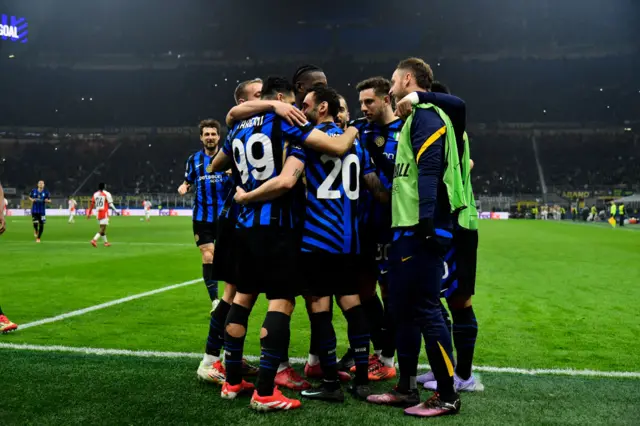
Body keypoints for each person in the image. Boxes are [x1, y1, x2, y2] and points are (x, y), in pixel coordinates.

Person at [207, 76, 358, 412]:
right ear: (282, 99)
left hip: (244, 227)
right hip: (277, 226)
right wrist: (352, 131)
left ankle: (232, 381)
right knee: (282, 302)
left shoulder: (239, 126)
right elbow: (328, 151)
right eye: (295, 103)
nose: (298, 109)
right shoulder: (285, 121)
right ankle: (264, 392)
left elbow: (220, 152)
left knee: (242, 298)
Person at [366, 58, 464, 417]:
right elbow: (405, 173)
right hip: (406, 229)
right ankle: (407, 388)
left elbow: (430, 170)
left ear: (408, 79)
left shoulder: (425, 116)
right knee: (403, 310)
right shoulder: (413, 119)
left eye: (393, 82)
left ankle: (448, 395)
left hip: (421, 229)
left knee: (426, 309)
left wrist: (427, 223)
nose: (390, 89)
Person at [292, 85, 388, 401]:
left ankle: (331, 383)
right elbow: (376, 189)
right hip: (350, 241)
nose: (301, 108)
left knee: (319, 308)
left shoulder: (306, 141)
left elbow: (292, 180)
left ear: (322, 108)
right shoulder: (358, 147)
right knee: (352, 305)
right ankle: (361, 381)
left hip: (317, 240)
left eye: (306, 104)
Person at [397, 81, 483, 393]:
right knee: (434, 297)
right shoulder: (444, 132)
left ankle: (463, 376)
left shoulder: (449, 124)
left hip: (459, 221)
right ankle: (447, 371)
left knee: (459, 299)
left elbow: (457, 104)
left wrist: (418, 96)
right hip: (452, 220)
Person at [340, 77, 404, 381]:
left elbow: (386, 192)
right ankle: (377, 348)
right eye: (361, 102)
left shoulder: (405, 129)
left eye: (369, 102)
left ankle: (388, 357)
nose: (363, 108)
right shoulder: (358, 130)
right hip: (361, 225)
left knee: (390, 293)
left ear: (386, 100)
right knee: (362, 291)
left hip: (393, 227)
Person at [87, 183, 119, 247]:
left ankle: (106, 242)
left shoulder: (95, 194)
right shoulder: (107, 193)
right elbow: (110, 204)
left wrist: (89, 213)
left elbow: (92, 204)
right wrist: (116, 210)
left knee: (103, 228)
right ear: (104, 187)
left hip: (98, 213)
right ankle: (94, 240)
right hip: (104, 213)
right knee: (103, 228)